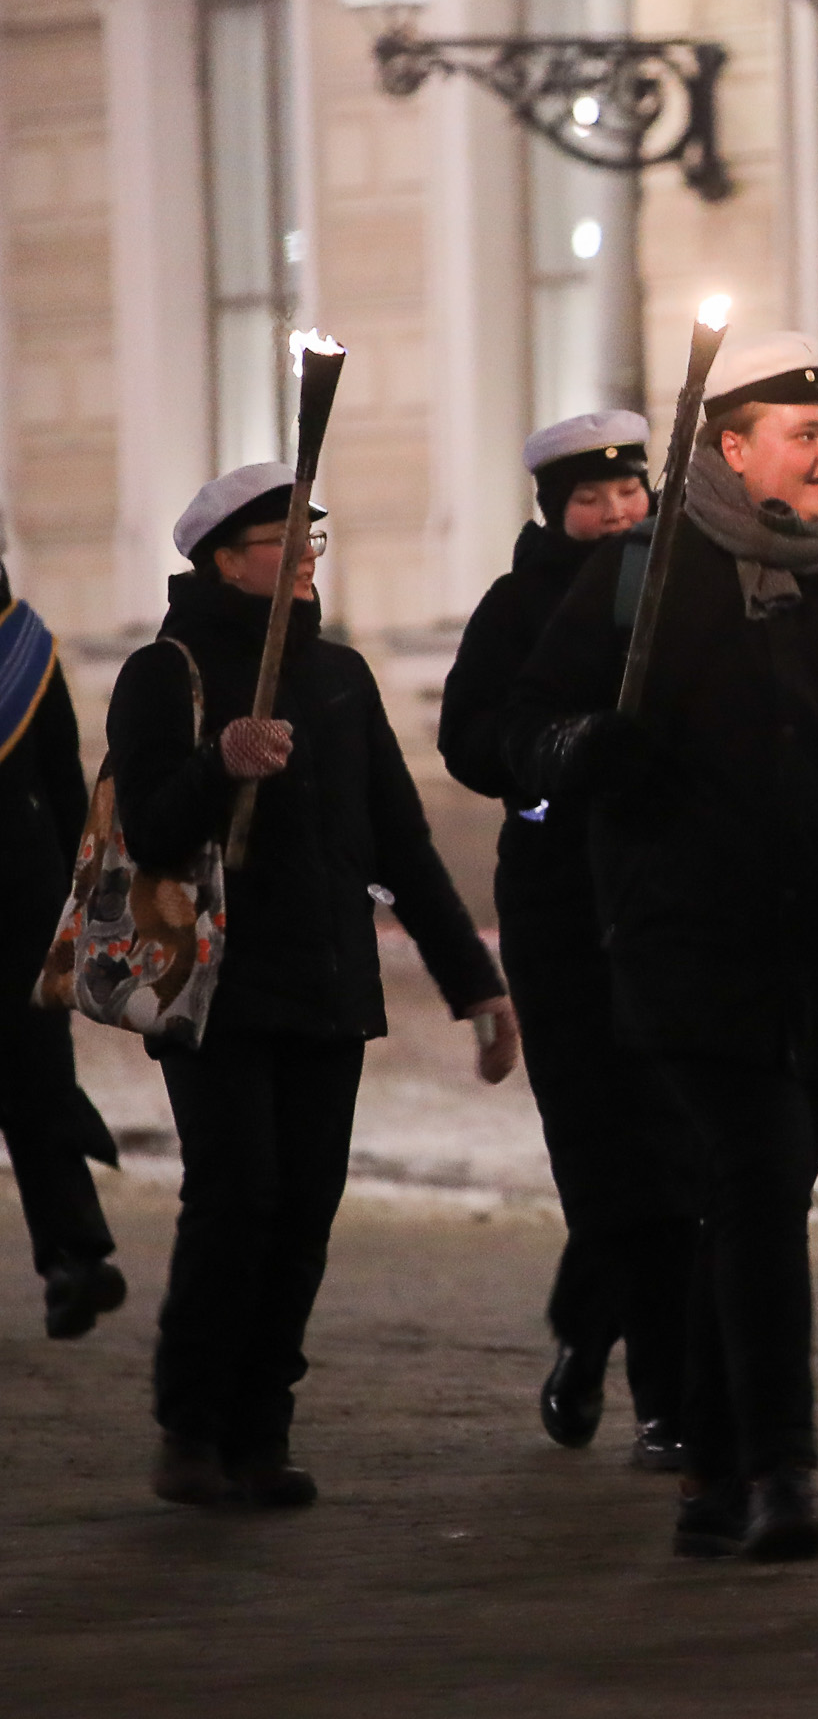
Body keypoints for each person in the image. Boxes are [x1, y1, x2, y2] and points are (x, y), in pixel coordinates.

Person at [509, 332, 818, 1562]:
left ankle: (711, 1468)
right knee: (758, 1199)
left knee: (746, 1207)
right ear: (727, 446)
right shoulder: (644, 580)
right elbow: (514, 732)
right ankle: (780, 1472)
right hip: (693, 953)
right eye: (802, 435)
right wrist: (579, 755)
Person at [114, 463, 516, 1507]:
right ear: (218, 559)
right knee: (236, 1197)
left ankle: (261, 1429)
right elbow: (147, 831)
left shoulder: (340, 678)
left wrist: (474, 984)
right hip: (216, 991)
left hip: (328, 986)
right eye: (280, 547)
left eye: (311, 547)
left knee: (302, 1213)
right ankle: (192, 1424)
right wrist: (220, 765)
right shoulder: (168, 672)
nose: (301, 565)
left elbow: (402, 842)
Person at [440, 411, 697, 1469]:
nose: (616, 513)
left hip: (667, 902)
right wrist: (557, 756)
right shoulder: (519, 608)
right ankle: (637, 1379)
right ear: (556, 512)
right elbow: (471, 739)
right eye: (591, 501)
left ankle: (610, 1352)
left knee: (671, 1154)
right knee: (604, 1154)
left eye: (628, 494)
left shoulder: (681, 592)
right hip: (560, 910)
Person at [0, 556, 126, 1338]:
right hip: (25, 900)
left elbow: (69, 790)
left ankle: (75, 1258)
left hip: (20, 910)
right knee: (37, 1080)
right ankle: (75, 1256)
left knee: (37, 1082)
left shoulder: (24, 650)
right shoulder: (27, 651)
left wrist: (86, 899)